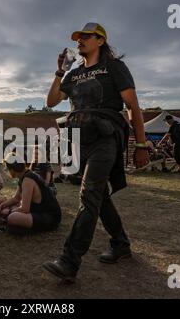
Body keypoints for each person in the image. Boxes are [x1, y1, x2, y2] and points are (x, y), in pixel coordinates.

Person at [42, 22, 149, 282]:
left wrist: (142, 144)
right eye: (78, 38)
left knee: (89, 194)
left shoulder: (113, 67)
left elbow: (133, 106)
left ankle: (69, 261)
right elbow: (51, 101)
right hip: (78, 139)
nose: (79, 41)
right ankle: (120, 243)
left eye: (85, 37)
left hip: (105, 136)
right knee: (97, 194)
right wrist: (60, 70)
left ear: (100, 41)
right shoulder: (74, 74)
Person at [0, 153, 61, 233]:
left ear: (12, 169)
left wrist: (9, 213)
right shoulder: (24, 176)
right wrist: (1, 206)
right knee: (8, 210)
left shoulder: (28, 179)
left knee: (12, 217)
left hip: (49, 217)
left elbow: (25, 209)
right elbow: (16, 198)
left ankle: (17, 226)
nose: (6, 171)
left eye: (6, 168)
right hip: (41, 212)